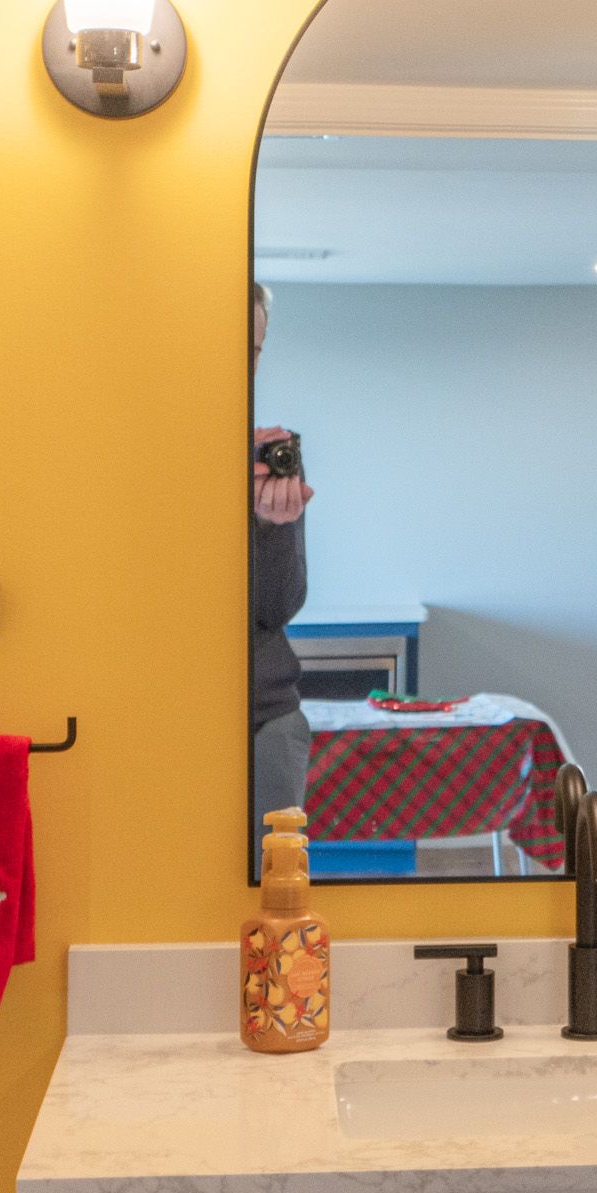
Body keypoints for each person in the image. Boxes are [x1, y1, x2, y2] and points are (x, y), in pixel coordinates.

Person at [251, 281, 315, 845]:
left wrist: (271, 527)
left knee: (278, 889)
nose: (246, 367)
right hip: (162, 709)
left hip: (266, 716)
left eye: (255, 352)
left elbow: (279, 605)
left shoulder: (269, 455)